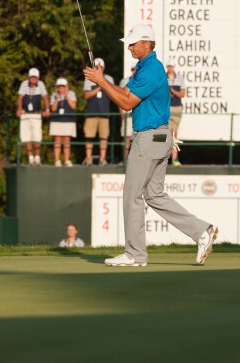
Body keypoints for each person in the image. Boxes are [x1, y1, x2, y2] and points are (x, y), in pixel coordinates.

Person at [83, 23, 218, 267]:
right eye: (129, 44)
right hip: (160, 138)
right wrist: (104, 81)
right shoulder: (146, 68)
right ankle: (202, 231)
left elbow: (126, 103)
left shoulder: (152, 69)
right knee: (154, 195)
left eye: (134, 43)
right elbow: (124, 93)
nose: (130, 47)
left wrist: (101, 81)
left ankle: (135, 254)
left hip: (149, 139)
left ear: (148, 43)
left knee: (132, 195)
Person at [82, 57, 114, 165]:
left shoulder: (109, 78)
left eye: (100, 67)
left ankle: (103, 159)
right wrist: (99, 87)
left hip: (104, 113)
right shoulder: (88, 78)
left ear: (104, 67)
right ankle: (89, 159)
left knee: (103, 137)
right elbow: (86, 95)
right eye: (96, 67)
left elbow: (113, 94)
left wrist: (103, 84)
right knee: (89, 136)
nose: (98, 68)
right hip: (91, 113)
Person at [17, 67, 50, 166]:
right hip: (25, 113)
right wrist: (19, 109)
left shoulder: (41, 84)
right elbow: (20, 97)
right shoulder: (24, 84)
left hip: (36, 114)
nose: (33, 79)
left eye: (35, 77)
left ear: (38, 78)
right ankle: (30, 157)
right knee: (27, 137)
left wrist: (47, 109)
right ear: (29, 77)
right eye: (31, 77)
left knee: (37, 136)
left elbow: (45, 98)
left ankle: (37, 158)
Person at [49, 77, 77, 167]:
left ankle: (66, 160)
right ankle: (57, 161)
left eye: (63, 86)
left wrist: (67, 96)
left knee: (67, 139)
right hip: (57, 119)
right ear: (57, 87)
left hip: (68, 119)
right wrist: (57, 99)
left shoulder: (71, 93)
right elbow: (53, 109)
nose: (61, 88)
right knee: (57, 139)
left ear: (66, 87)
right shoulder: (53, 95)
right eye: (59, 86)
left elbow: (73, 106)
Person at [166, 57, 186, 166]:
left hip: (177, 108)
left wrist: (173, 92)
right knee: (168, 133)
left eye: (171, 66)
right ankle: (167, 158)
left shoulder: (180, 78)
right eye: (168, 66)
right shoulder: (163, 77)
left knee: (174, 134)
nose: (170, 68)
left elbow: (183, 94)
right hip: (166, 108)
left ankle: (174, 159)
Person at [118, 66, 136, 161]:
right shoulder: (124, 81)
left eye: (135, 69)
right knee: (127, 137)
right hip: (126, 111)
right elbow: (119, 97)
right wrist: (121, 112)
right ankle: (125, 159)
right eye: (133, 69)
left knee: (138, 138)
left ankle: (136, 160)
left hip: (138, 111)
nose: (134, 71)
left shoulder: (142, 80)